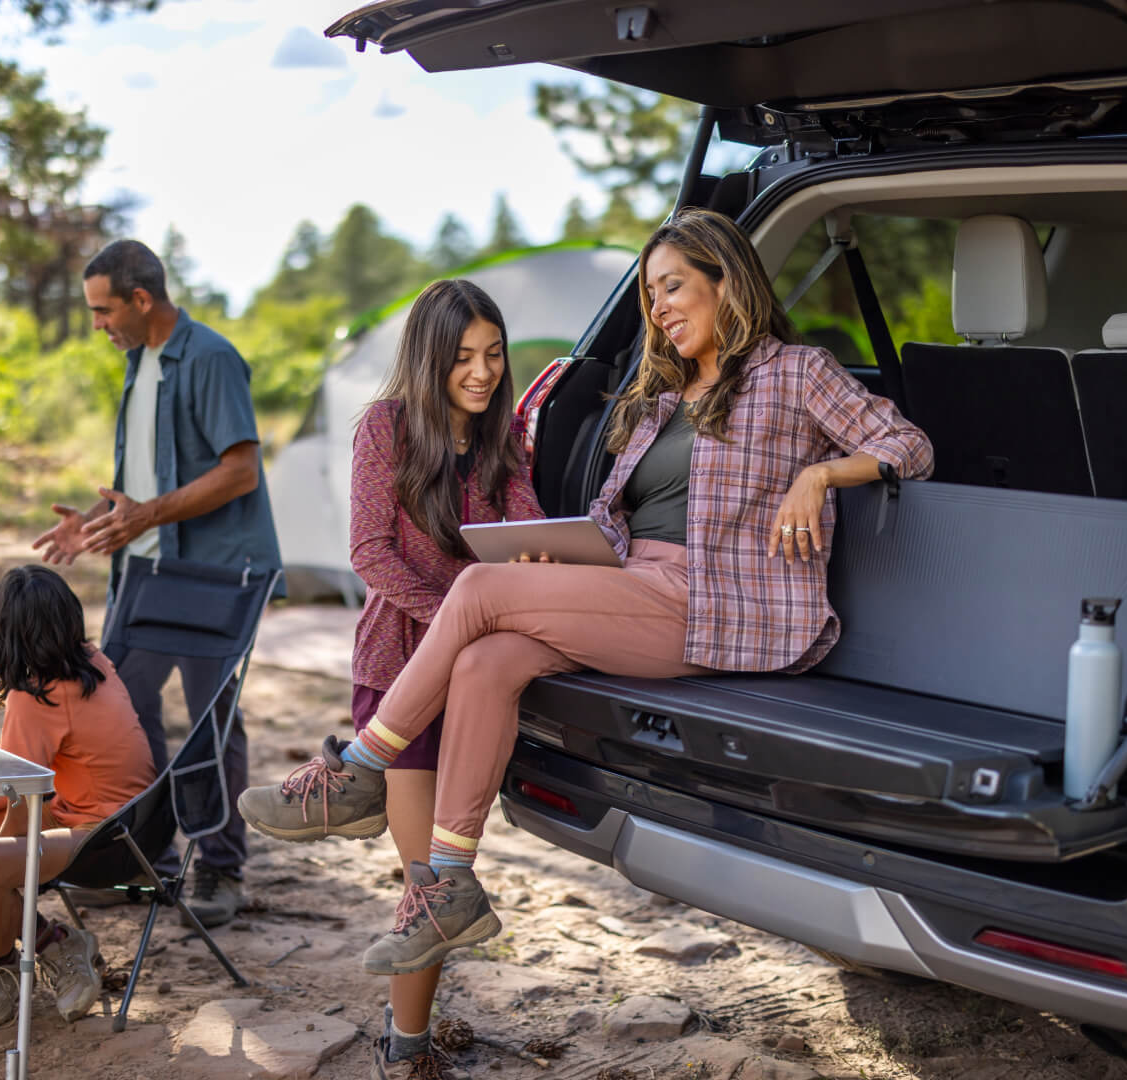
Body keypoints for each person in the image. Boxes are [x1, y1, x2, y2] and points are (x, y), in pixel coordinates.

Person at [238, 208, 934, 973]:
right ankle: (452, 881)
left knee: (476, 590)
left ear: (725, 281)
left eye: (673, 287)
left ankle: (361, 771)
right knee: (488, 661)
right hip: (638, 588)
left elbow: (908, 444)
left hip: (717, 604)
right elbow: (615, 521)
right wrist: (561, 557)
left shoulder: (796, 372)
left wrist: (820, 474)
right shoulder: (662, 399)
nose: (660, 308)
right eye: (650, 296)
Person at [241, 280, 541, 1078]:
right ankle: (405, 1048)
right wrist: (461, 612)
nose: (481, 372)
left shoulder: (507, 440)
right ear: (429, 357)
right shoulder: (386, 427)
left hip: (476, 684)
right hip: (396, 672)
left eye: (494, 354)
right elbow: (370, 553)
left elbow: (527, 538)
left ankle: (351, 785)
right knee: (426, 888)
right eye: (463, 357)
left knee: (449, 879)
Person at [32, 239, 282, 927]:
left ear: (142, 300)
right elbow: (145, 484)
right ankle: (148, 865)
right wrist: (94, 522)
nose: (97, 325)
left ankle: (220, 868)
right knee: (121, 713)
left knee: (209, 723)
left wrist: (147, 515)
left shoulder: (211, 358)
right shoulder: (139, 362)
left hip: (213, 575)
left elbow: (239, 472)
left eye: (103, 310)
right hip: (145, 568)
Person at [0, 564, 156, 1036]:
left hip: (104, 839)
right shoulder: (90, 661)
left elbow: (23, 809)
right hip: (130, 822)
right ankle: (53, 942)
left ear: (0, 632)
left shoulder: (35, 697)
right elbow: (30, 796)